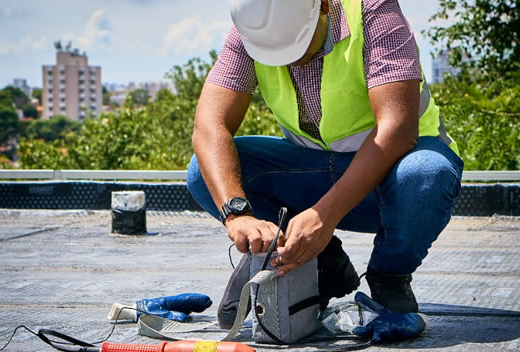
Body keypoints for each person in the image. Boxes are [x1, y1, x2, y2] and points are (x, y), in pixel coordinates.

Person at [186, 0, 463, 315]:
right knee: (203, 172)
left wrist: (324, 216)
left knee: (426, 173)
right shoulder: (254, 29)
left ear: (323, 6)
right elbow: (209, 127)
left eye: (298, 45)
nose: (293, 61)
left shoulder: (374, 12)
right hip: (314, 172)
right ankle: (320, 262)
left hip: (391, 180)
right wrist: (237, 214)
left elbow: (396, 129)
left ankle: (390, 274)